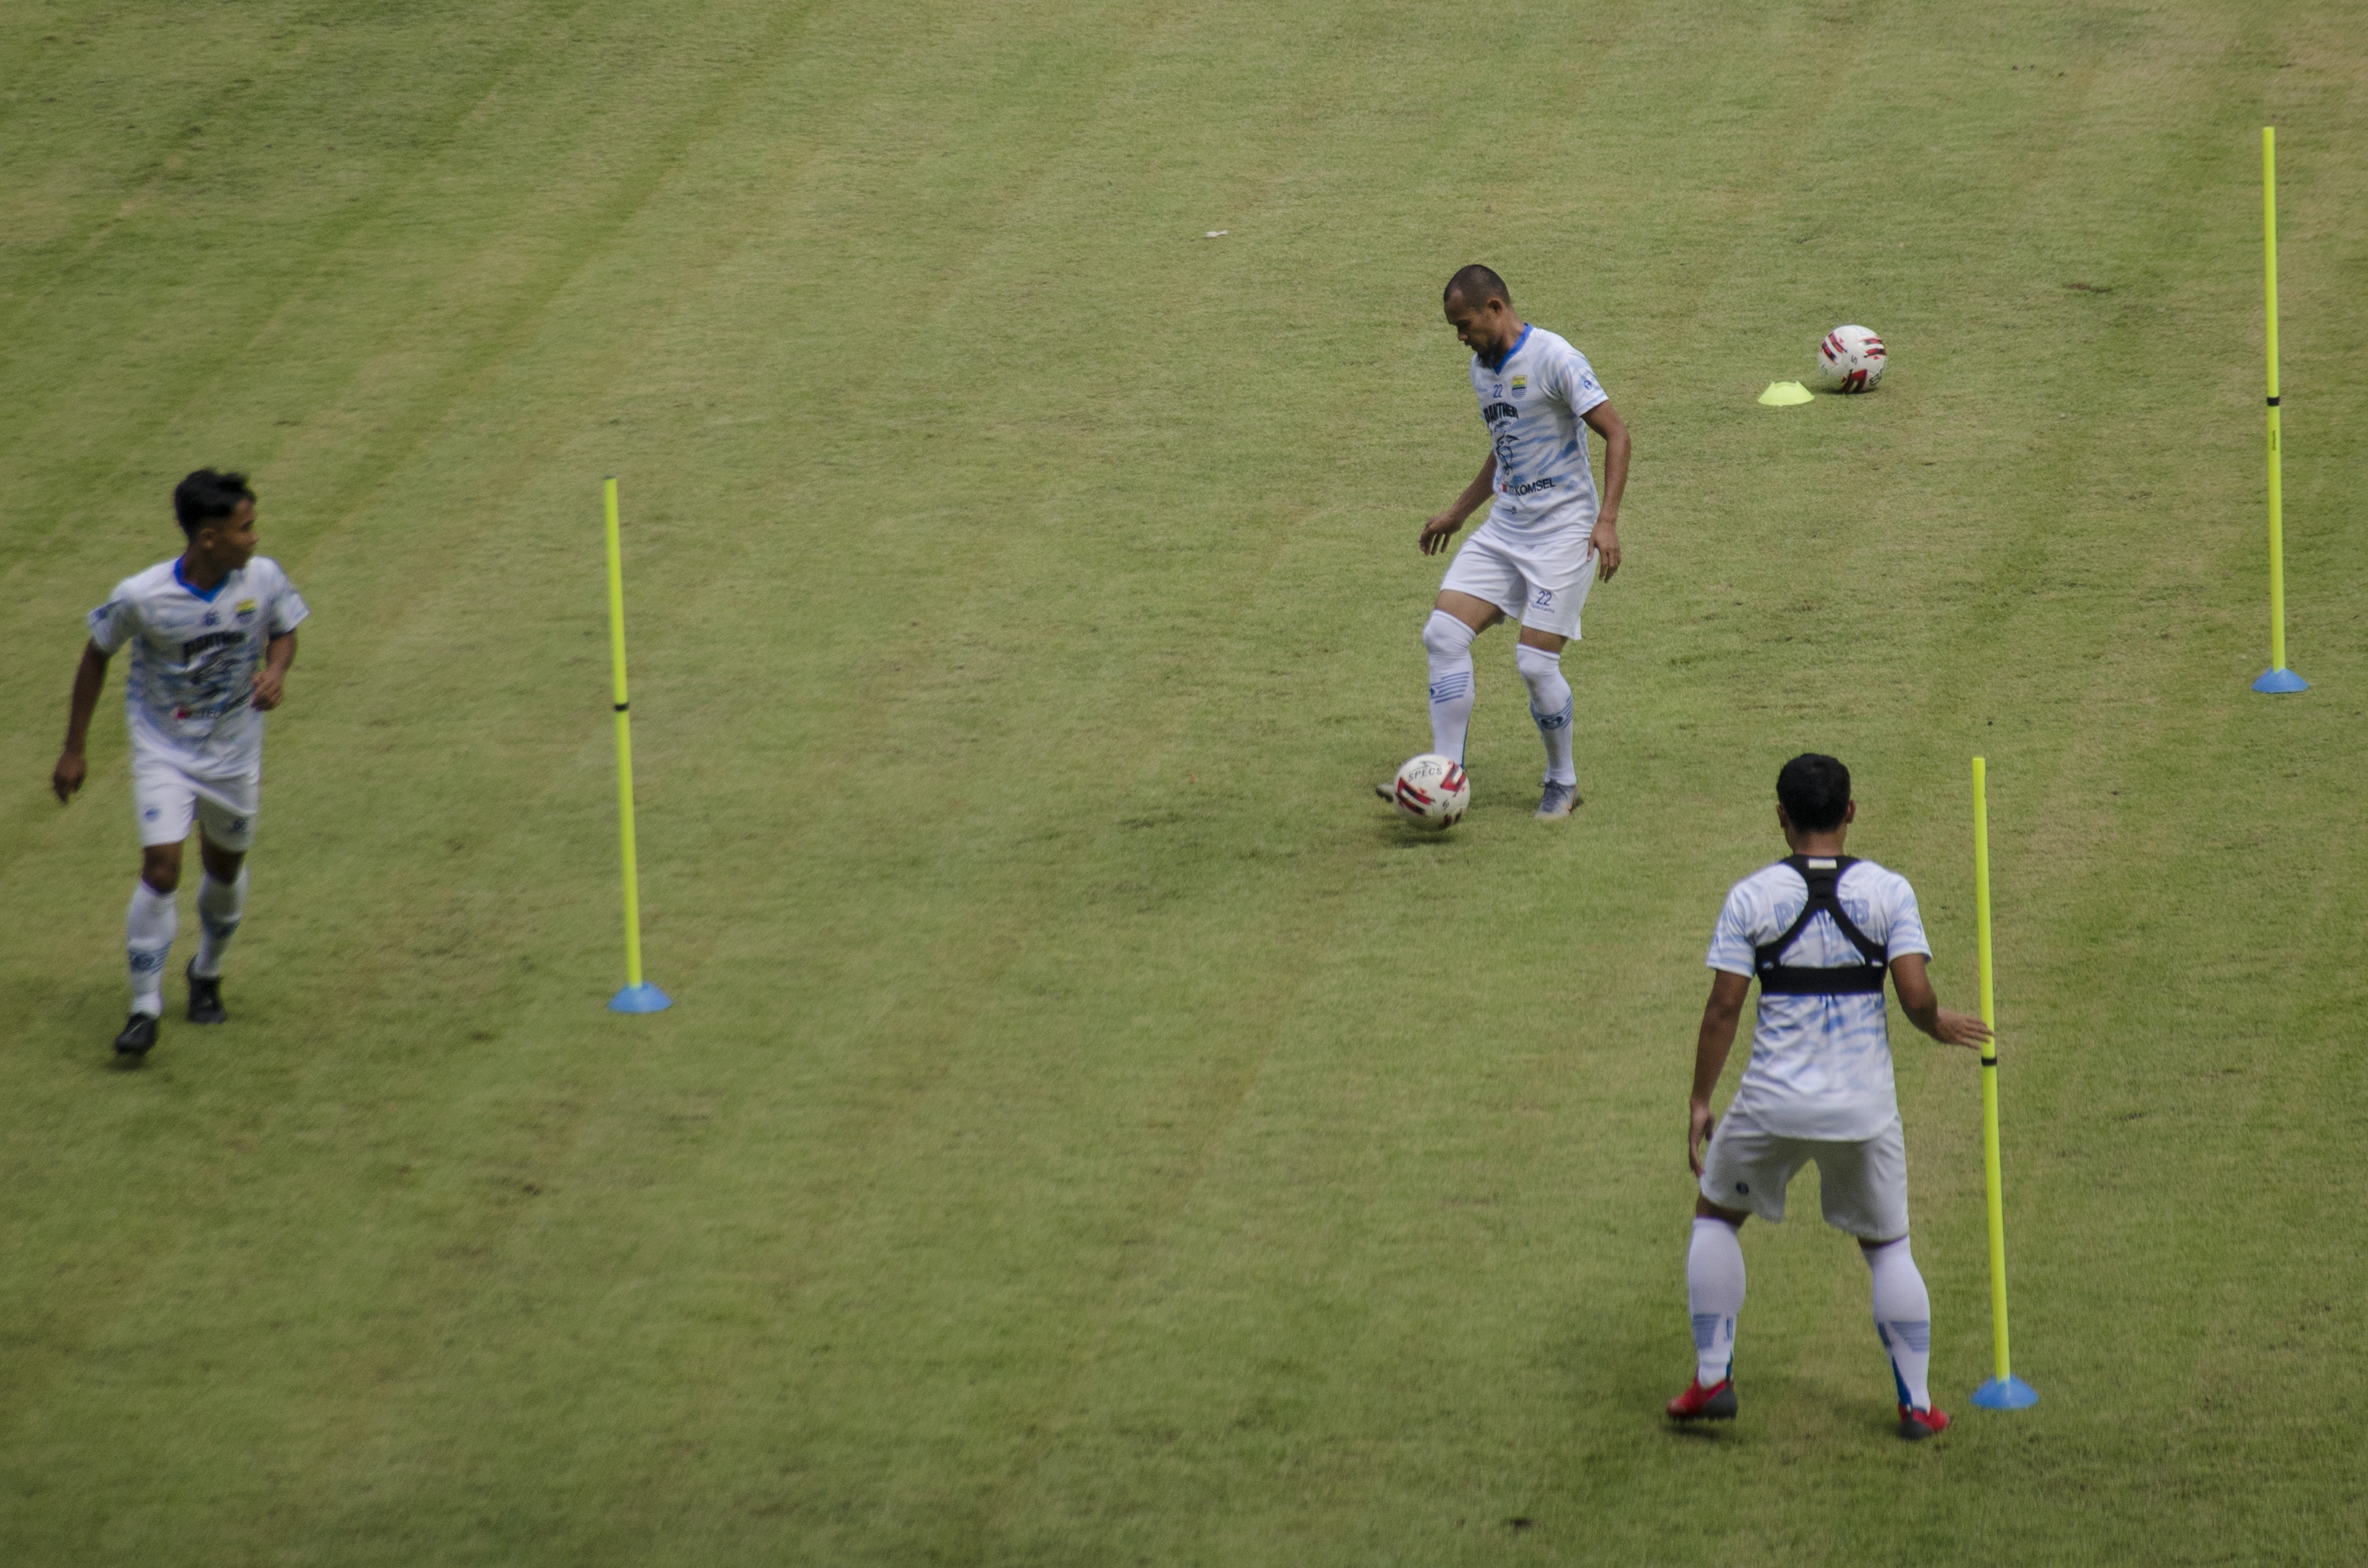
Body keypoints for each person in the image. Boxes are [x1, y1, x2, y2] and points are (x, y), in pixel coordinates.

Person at [1667, 754, 1990, 1439]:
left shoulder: (1750, 897)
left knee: (1716, 1217)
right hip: (1864, 1108)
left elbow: (1723, 1008)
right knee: (1888, 1249)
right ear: (1850, 812)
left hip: (1771, 1103)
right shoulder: (1888, 892)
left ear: (1780, 817)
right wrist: (1939, 1025)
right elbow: (1914, 997)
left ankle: (1711, 1380)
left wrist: (1700, 1100)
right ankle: (1917, 1404)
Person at [52, 470, 310, 1061]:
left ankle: (207, 972)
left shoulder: (261, 578)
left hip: (234, 754)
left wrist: (276, 672)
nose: (256, 537)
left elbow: (285, 630)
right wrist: (74, 748)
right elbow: (96, 655)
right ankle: (144, 1008)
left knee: (223, 869)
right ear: (209, 538)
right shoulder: (142, 596)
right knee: (163, 870)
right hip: (163, 750)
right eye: (246, 528)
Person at [1382, 264, 1630, 820]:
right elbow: (1505, 445)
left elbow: (1617, 432)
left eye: (1465, 324)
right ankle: (1445, 779)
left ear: (1496, 307)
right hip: (1507, 527)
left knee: (1536, 665)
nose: (1461, 338)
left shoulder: (1555, 358)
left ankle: (1562, 782)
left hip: (1566, 532)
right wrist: (1458, 512)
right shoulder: (1482, 370)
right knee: (1443, 635)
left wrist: (1607, 520)